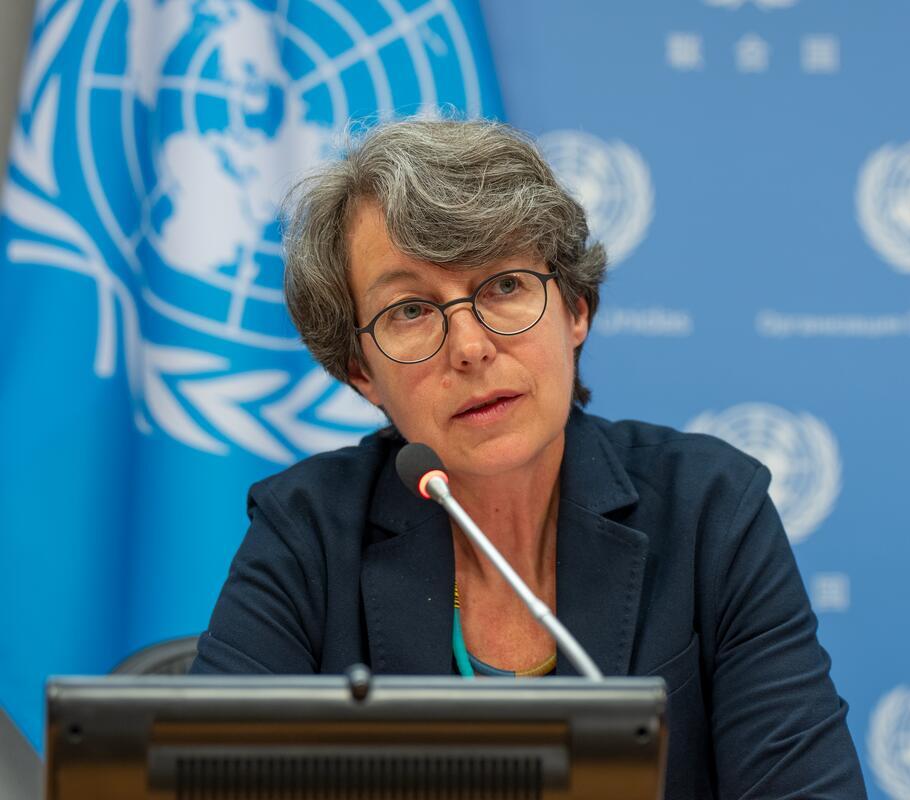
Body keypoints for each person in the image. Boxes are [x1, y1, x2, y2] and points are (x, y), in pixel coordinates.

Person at [191, 118, 868, 798]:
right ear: (361, 371)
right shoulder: (308, 531)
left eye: (504, 286)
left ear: (576, 310)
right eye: (411, 310)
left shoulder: (709, 512)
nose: (470, 347)